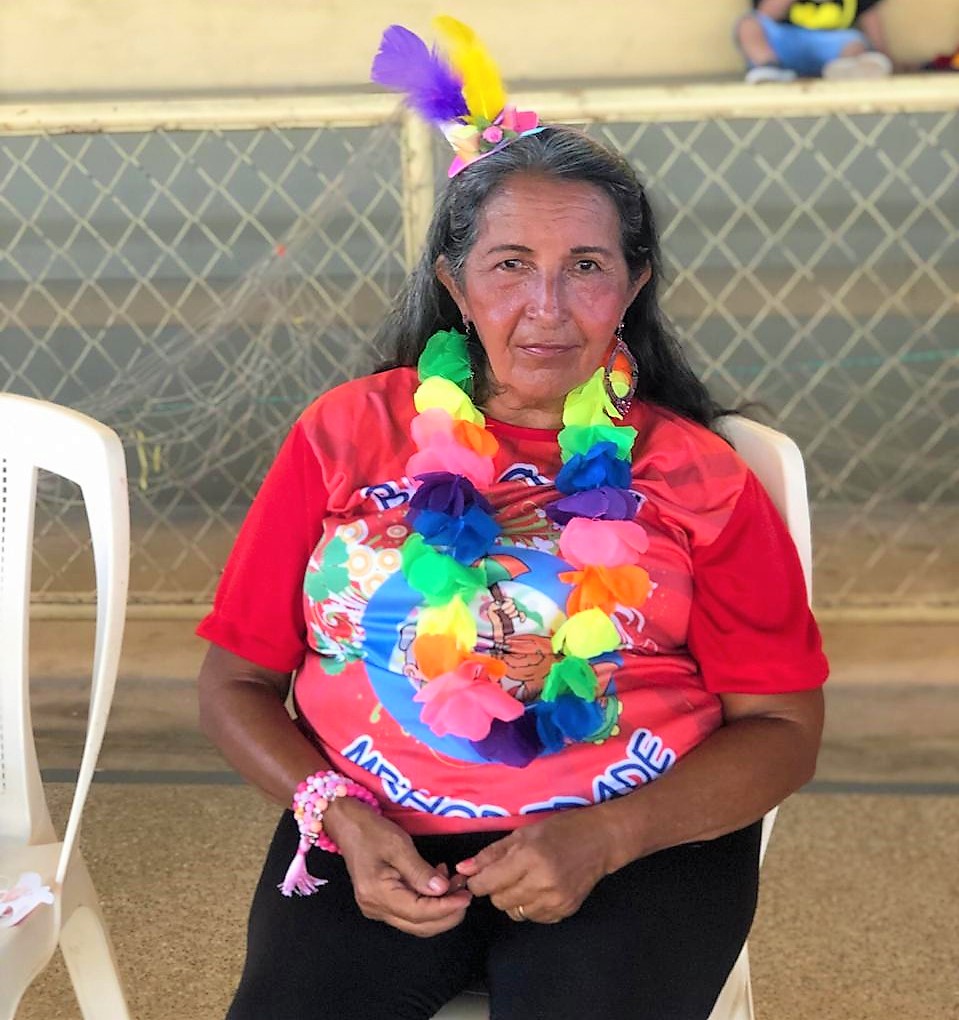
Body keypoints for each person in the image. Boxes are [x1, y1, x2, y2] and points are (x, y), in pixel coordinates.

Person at [196, 17, 828, 1020]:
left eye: (584, 266)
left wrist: (607, 837)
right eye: (507, 265)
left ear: (631, 287)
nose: (546, 307)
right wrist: (337, 816)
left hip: (634, 842)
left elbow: (785, 729)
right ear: (452, 283)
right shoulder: (346, 433)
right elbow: (234, 681)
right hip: (374, 831)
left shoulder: (696, 473)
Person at [737, 0, 894, 82]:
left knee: (855, 41)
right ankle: (769, 69)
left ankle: (847, 71)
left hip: (831, 44)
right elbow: (765, 15)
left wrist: (883, 56)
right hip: (785, 42)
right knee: (748, 24)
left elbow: (870, 19)